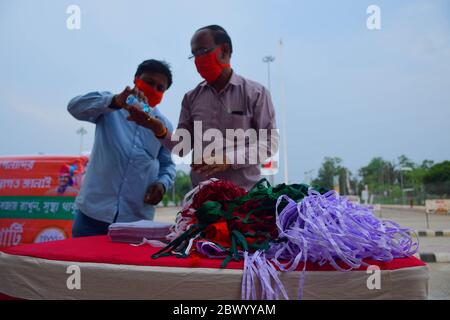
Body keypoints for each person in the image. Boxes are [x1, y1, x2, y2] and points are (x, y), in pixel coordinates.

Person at [128, 25, 278, 190]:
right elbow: (182, 148)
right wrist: (159, 130)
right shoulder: (191, 98)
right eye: (194, 55)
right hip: (202, 198)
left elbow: (269, 144)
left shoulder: (255, 93)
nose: (198, 60)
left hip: (244, 199)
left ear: (225, 51)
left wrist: (228, 159)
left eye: (202, 52)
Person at [68, 59, 176, 237]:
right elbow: (74, 107)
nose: (154, 90)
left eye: (160, 88)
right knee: (83, 264)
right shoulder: (110, 106)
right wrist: (115, 101)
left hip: (135, 221)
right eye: (149, 82)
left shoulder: (163, 126)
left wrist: (162, 184)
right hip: (92, 214)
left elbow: (167, 164)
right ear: (135, 79)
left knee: (125, 266)